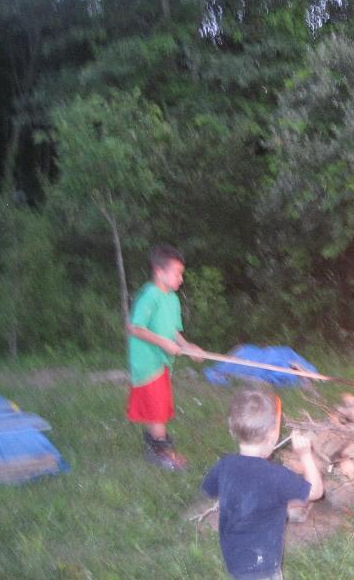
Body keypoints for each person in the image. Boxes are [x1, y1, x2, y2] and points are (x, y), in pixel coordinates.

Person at [202, 390, 324, 580]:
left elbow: (209, 489)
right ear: (273, 435)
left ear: (232, 429)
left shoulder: (224, 465)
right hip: (263, 566)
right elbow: (316, 492)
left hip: (234, 559)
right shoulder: (276, 476)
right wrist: (305, 455)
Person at [126, 244, 205, 470]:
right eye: (177, 273)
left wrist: (187, 346)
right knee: (158, 407)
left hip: (161, 361)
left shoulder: (172, 299)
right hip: (147, 361)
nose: (181, 278)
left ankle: (153, 444)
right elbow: (135, 328)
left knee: (157, 405)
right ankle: (161, 452)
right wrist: (163, 343)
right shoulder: (150, 296)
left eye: (181, 274)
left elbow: (173, 332)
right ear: (159, 272)